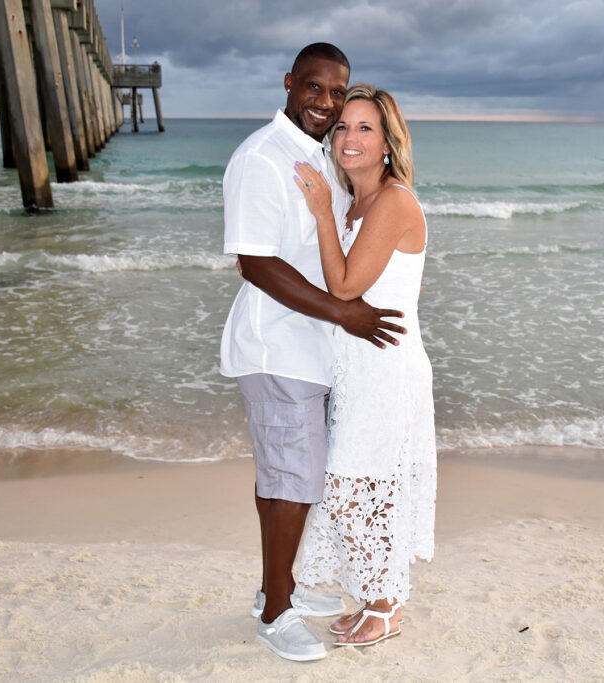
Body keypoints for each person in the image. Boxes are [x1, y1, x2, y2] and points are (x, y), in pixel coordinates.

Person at [220, 45, 406, 662]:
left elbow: (334, 242)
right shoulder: (263, 158)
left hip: (308, 349)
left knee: (285, 477)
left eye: (337, 92)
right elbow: (256, 262)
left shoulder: (314, 155)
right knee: (293, 481)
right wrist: (344, 313)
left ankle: (278, 588)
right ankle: (276, 614)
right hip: (278, 347)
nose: (327, 104)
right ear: (290, 84)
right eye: (315, 89)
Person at [293, 83, 437, 647]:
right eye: (342, 127)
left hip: (385, 367)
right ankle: (377, 598)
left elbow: (346, 284)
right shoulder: (358, 199)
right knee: (357, 482)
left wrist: (323, 213)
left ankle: (385, 606)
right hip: (358, 366)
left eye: (365, 128)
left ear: (386, 143)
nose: (349, 138)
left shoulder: (393, 200)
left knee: (361, 483)